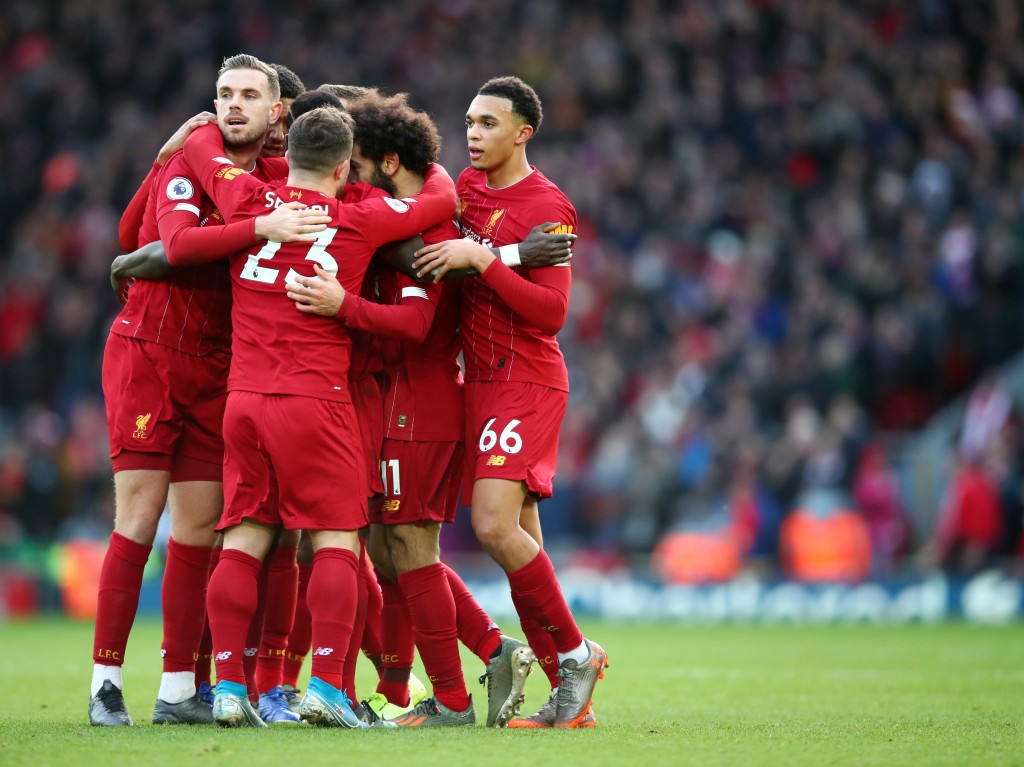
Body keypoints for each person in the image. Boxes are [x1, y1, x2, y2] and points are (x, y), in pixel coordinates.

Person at [175, 99, 457, 728]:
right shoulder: (358, 217)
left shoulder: (248, 202)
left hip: (244, 403)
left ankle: (227, 687)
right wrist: (430, 165)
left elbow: (200, 152)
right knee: (336, 538)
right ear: (340, 171)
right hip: (315, 401)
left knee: (244, 537)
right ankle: (328, 686)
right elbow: (438, 202)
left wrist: (203, 124)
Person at [89, 54, 328, 727]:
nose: (233, 105)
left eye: (249, 95)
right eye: (225, 93)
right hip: (149, 354)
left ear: (278, 113)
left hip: (221, 367)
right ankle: (106, 680)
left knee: (198, 531)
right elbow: (177, 242)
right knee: (138, 518)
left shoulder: (279, 179)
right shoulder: (192, 158)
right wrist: (253, 223)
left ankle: (175, 689)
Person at [412, 76, 606, 729]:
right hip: (481, 383)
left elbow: (552, 312)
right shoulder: (463, 189)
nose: (472, 132)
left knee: (494, 525)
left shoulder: (548, 202)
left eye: (488, 123)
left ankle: (578, 654)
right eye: (469, 120)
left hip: (525, 377)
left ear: (523, 132)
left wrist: (486, 260)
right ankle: (566, 694)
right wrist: (498, 254)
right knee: (523, 549)